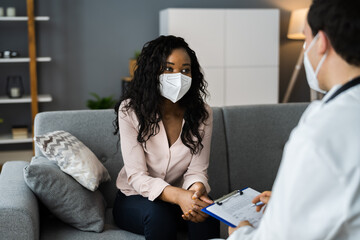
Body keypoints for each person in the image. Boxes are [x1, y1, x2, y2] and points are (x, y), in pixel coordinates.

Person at [228, 0, 360, 239]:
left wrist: (242, 232)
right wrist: (284, 202)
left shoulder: (320, 132)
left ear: (322, 42)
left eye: (305, 39)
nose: (305, 48)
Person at [112, 35, 219, 240]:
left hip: (182, 198)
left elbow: (197, 170)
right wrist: (179, 196)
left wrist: (196, 191)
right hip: (135, 198)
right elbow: (136, 176)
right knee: (158, 216)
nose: (178, 76)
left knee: (208, 213)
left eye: (185, 70)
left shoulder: (202, 114)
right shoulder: (130, 110)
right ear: (152, 72)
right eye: (168, 69)